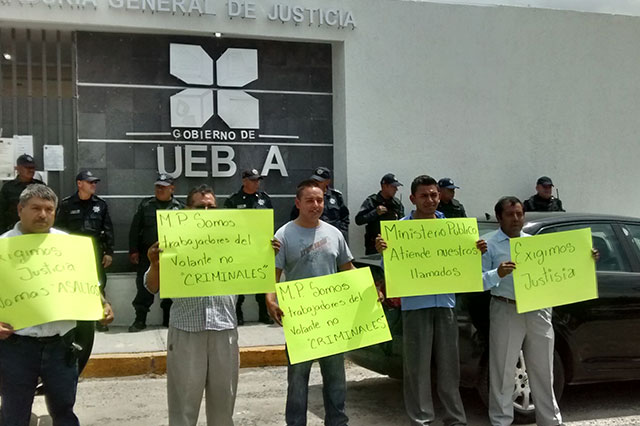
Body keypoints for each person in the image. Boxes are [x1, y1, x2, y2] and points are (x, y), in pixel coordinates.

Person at [145, 184, 275, 426]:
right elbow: (151, 287)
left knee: (223, 408)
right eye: (199, 207)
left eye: (210, 207)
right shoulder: (173, 240)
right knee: (183, 409)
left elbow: (258, 271)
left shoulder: (234, 241)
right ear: (187, 209)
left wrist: (266, 253)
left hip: (224, 330)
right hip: (186, 331)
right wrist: (155, 264)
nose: (205, 211)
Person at [375, 175, 486, 426]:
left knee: (450, 368)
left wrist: (476, 250)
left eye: (434, 195)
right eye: (424, 195)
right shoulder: (399, 230)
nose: (431, 200)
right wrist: (383, 250)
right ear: (413, 199)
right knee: (416, 369)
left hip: (445, 304)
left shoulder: (452, 228)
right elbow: (390, 268)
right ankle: (421, 419)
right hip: (415, 306)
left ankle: (455, 418)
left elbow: (466, 264)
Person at [0, 184, 113, 426]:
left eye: (49, 209)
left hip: (61, 345)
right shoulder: (3, 247)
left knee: (64, 410)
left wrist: (102, 305)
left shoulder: (69, 245)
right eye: (36, 208)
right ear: (20, 209)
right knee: (14, 413)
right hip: (17, 347)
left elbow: (88, 286)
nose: (43, 214)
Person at [481, 196, 595, 426]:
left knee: (544, 369)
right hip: (506, 308)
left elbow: (563, 269)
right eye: (511, 214)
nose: (516, 219)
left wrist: (586, 258)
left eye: (519, 214)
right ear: (499, 217)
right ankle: (501, 421)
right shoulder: (487, 244)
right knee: (503, 370)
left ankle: (550, 421)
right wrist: (498, 274)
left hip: (538, 309)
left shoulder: (534, 243)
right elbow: (478, 282)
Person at [267, 179, 357, 426]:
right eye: (309, 200)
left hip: (331, 318)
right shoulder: (283, 235)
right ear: (298, 203)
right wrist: (270, 301)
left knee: (336, 379)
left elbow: (347, 269)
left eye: (319, 200)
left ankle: (337, 422)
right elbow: (271, 276)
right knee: (297, 381)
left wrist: (371, 291)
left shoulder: (334, 233)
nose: (316, 205)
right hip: (300, 319)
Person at [55, 170, 114, 332]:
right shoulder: (67, 204)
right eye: (90, 182)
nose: (94, 185)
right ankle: (78, 320)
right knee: (73, 284)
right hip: (72, 251)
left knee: (98, 283)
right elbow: (59, 229)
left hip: (94, 251)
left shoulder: (100, 205)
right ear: (79, 184)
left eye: (95, 182)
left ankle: (99, 318)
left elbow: (108, 229)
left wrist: (109, 252)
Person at [128, 173, 184, 332]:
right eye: (157, 186)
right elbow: (135, 229)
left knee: (170, 289)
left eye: (164, 187)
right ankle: (140, 320)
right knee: (144, 288)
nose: (160, 189)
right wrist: (133, 250)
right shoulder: (146, 205)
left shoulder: (179, 208)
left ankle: (169, 320)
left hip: (171, 255)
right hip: (148, 255)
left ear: (172, 189)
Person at [224, 168, 274, 325]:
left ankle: (263, 313)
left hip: (260, 247)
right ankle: (237, 313)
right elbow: (227, 224)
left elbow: (270, 221)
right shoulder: (233, 200)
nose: (256, 183)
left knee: (261, 280)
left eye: (258, 180)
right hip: (240, 247)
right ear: (244, 181)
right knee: (239, 282)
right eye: (253, 180)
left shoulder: (264, 199)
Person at [290, 167, 350, 240]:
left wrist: (340, 233)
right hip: (310, 237)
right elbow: (295, 217)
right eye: (314, 180)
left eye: (319, 181)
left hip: (332, 237)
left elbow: (345, 218)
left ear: (327, 182)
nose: (316, 183)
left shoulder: (336, 196)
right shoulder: (305, 195)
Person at [355, 173, 404, 255]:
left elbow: (403, 222)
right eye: (394, 186)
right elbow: (359, 220)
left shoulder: (397, 203)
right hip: (375, 247)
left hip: (393, 245)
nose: (396, 189)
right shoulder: (372, 201)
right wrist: (375, 212)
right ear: (385, 186)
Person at [0, 154, 45, 233]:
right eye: (27, 167)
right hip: (14, 231)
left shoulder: (40, 186)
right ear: (17, 168)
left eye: (33, 168)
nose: (31, 170)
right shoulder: (8, 187)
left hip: (36, 229)